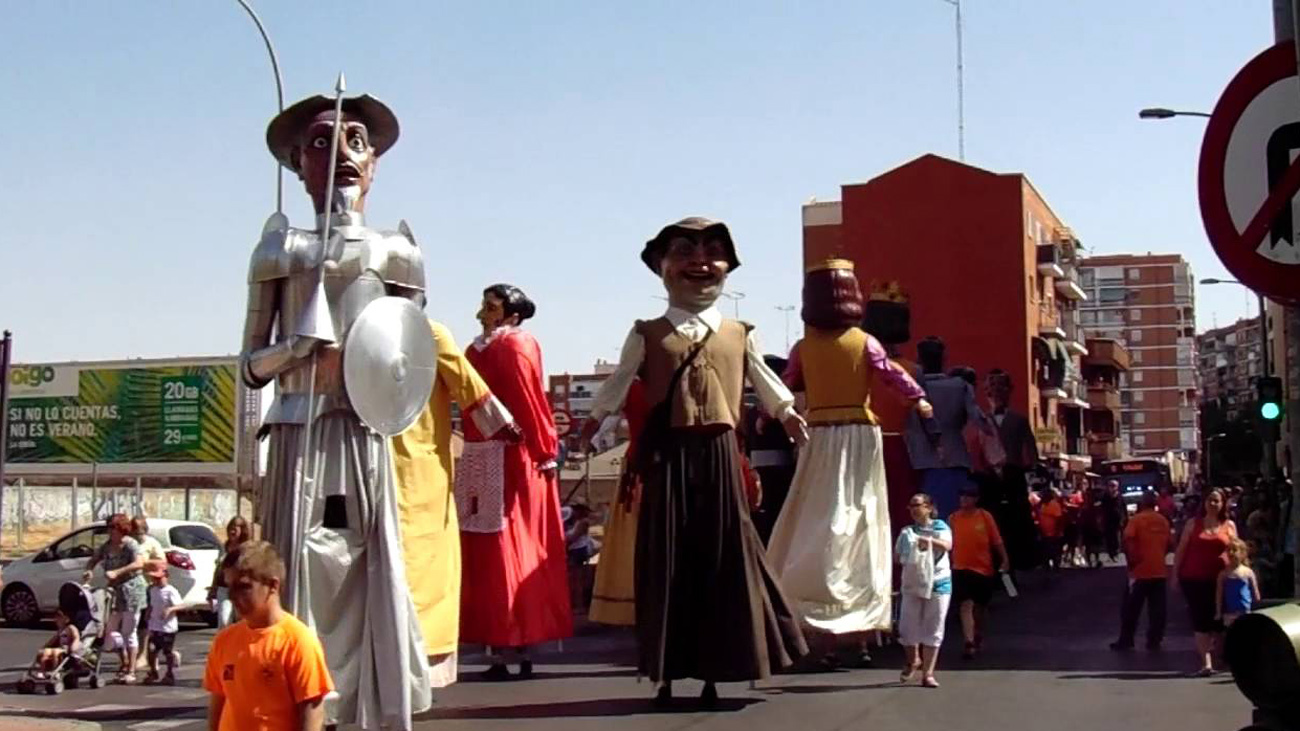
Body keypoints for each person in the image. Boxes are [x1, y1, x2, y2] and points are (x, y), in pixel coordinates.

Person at [239, 91, 432, 725]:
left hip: (366, 432)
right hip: (301, 430)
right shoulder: (280, 248)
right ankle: (290, 701)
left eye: (356, 141)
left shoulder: (397, 252)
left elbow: (408, 356)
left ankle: (372, 703)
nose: (343, 153)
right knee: (296, 568)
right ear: (298, 162)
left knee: (371, 567)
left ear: (374, 163)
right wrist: (297, 346)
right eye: (323, 142)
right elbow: (248, 365)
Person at [582, 216, 808, 707]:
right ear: (661, 267)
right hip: (667, 457)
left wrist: (787, 414)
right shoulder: (647, 332)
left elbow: (763, 383)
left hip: (720, 457)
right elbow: (620, 382)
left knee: (724, 558)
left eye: (712, 252)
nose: (700, 262)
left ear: (728, 267)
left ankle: (715, 672)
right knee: (668, 560)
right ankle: (665, 672)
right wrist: (595, 419)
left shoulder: (739, 331)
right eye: (684, 251)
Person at [769, 258, 932, 669]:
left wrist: (771, 409)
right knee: (857, 522)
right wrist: (916, 398)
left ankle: (830, 629)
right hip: (856, 435)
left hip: (822, 436)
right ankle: (853, 633)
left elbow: (786, 382)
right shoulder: (864, 342)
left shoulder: (805, 346)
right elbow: (889, 374)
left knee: (824, 522)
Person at [390, 317, 517, 687]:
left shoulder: (420, 331)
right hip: (417, 468)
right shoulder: (429, 331)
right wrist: (508, 429)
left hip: (386, 464)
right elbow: (472, 391)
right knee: (419, 564)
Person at [460, 283, 572, 680]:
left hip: (497, 455)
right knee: (507, 545)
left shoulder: (496, 348)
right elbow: (531, 400)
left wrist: (542, 450)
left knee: (500, 546)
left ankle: (509, 638)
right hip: (500, 455)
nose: (483, 312)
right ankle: (509, 636)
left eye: (491, 306)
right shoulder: (495, 348)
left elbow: (526, 399)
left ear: (511, 313)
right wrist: (546, 450)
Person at [204, 541, 333, 731]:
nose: (232, 596)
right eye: (229, 586)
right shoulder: (225, 640)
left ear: (272, 585)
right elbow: (218, 701)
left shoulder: (297, 640)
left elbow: (312, 708)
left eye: (243, 587)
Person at [589, 380, 649, 627]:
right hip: (652, 469)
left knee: (635, 541)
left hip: (638, 467)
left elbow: (603, 429)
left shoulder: (629, 384)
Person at [903, 338, 985, 520]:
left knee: (924, 521)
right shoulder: (960, 386)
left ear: (919, 359)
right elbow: (979, 420)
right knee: (957, 519)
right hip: (956, 457)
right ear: (944, 358)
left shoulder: (910, 388)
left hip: (920, 461)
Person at [1173, 488, 1238, 676]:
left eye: (1217, 501)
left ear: (1223, 504)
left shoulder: (1229, 525)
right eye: (1210, 500)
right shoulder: (1193, 524)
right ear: (1204, 503)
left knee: (1219, 621)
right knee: (1200, 619)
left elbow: (1237, 550)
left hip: (1222, 581)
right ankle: (1206, 663)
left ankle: (1218, 657)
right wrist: (1175, 575)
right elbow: (1181, 551)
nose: (1213, 504)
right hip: (1194, 579)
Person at [983, 370, 1040, 572]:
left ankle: (1022, 561)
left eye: (1001, 387)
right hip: (989, 478)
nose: (996, 392)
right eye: (992, 388)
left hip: (1013, 474)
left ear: (1009, 391)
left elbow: (1030, 449)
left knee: (1018, 518)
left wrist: (1031, 470)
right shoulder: (982, 420)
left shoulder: (1019, 420)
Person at [895, 494, 953, 689]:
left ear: (928, 507)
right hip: (913, 584)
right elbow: (897, 558)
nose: (913, 509)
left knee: (934, 627)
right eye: (910, 505)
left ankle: (928, 674)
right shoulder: (906, 532)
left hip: (939, 583)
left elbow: (947, 545)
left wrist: (925, 540)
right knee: (907, 627)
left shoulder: (939, 527)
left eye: (917, 505)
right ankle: (913, 660)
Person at [82, 513, 146, 684]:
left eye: (112, 527)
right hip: (114, 592)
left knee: (129, 632)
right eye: (108, 527)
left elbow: (139, 563)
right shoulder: (107, 546)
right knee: (109, 630)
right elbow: (94, 559)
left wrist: (118, 572)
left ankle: (130, 670)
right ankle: (123, 659)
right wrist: (89, 569)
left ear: (120, 528)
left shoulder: (130, 544)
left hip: (132, 591)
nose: (109, 531)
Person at [949, 485, 1009, 659]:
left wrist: (1005, 559)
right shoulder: (953, 518)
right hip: (960, 567)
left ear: (976, 499)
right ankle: (968, 642)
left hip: (982, 569)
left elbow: (996, 540)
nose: (964, 499)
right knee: (965, 604)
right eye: (962, 496)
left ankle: (977, 632)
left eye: (968, 496)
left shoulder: (984, 516)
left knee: (980, 607)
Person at [1112, 492, 1172, 651]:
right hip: (1159, 571)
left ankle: (1126, 640)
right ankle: (1154, 640)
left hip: (1139, 572)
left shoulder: (1136, 520)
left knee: (1131, 609)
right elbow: (1170, 544)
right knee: (1157, 610)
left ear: (1142, 503)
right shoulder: (1163, 521)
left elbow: (1128, 540)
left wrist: (1132, 561)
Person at [144, 563, 185, 685]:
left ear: (166, 577)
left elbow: (181, 605)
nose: (156, 581)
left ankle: (170, 672)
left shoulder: (171, 591)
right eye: (154, 578)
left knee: (167, 651)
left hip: (167, 627)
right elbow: (151, 604)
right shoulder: (152, 590)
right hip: (154, 625)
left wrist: (170, 610)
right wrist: (148, 614)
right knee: (151, 649)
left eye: (158, 578)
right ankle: (153, 671)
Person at [208, 516, 251, 628]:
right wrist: (213, 589)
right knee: (224, 620)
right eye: (230, 529)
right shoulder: (224, 547)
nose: (232, 532)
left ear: (242, 530)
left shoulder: (246, 548)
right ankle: (224, 643)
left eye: (235, 529)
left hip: (240, 589)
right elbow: (218, 569)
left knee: (241, 621)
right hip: (224, 588)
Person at [1217, 538, 1260, 627]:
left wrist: (1257, 609)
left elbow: (1255, 593)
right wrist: (1218, 612)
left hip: (1245, 611)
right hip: (1230, 612)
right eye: (1229, 550)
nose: (1231, 553)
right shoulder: (1224, 574)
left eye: (1234, 550)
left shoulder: (1248, 572)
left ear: (1242, 553)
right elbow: (1219, 594)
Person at [33, 609, 80, 680]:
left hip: (66, 649)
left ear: (66, 619)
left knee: (55, 653)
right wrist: (45, 646)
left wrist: (74, 646)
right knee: (44, 653)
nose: (57, 621)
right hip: (60, 648)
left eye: (59, 619)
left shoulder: (71, 628)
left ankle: (55, 671)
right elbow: (53, 640)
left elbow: (76, 637)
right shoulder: (60, 630)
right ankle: (42, 671)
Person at [1037, 489, 1066, 571]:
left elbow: (1059, 519)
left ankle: (1056, 565)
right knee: (1045, 549)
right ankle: (1046, 565)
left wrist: (1058, 531)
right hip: (1044, 532)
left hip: (1054, 533)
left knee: (1054, 550)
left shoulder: (1054, 504)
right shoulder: (1042, 505)